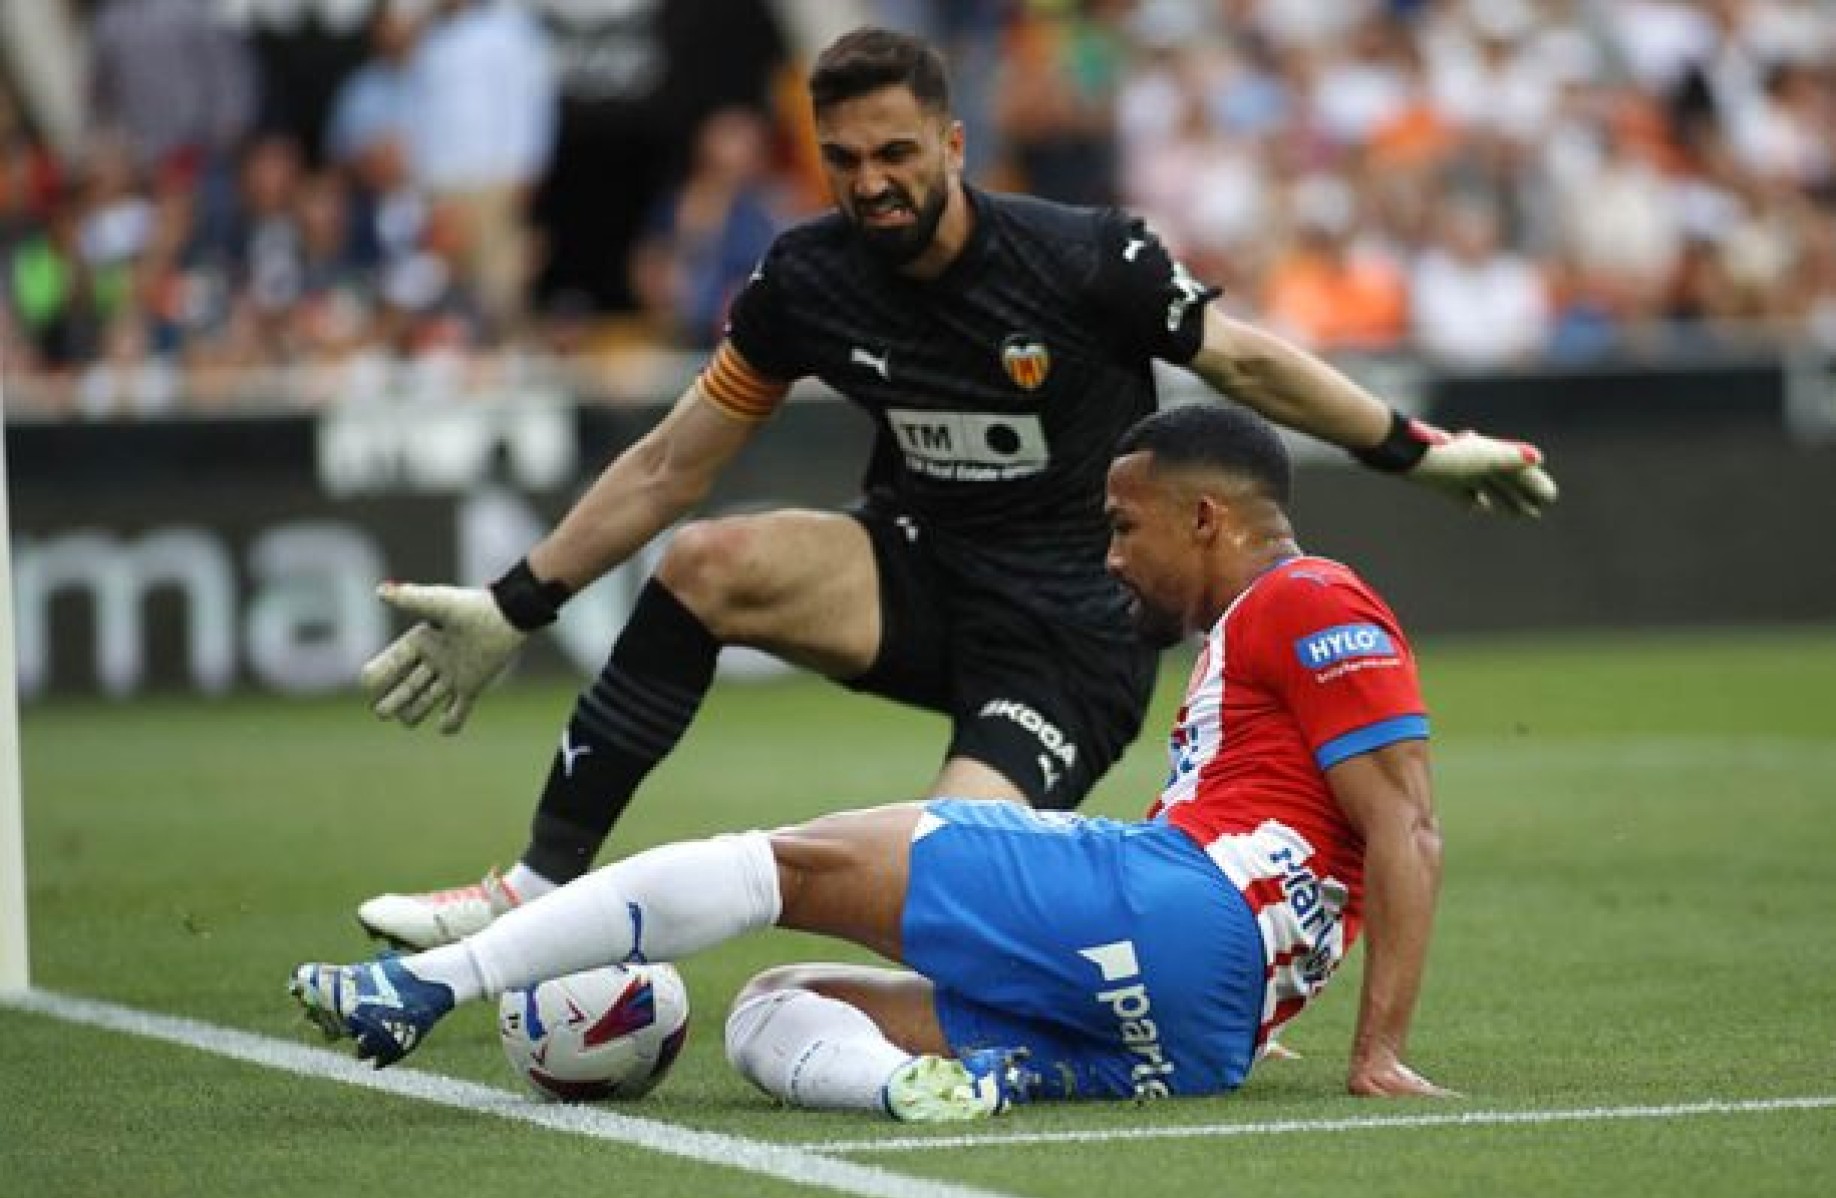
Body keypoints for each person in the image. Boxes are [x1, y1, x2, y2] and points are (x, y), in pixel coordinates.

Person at [351, 27, 1554, 953]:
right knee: (709, 563)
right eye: (843, 161)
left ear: (954, 145)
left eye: (895, 155)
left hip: (1070, 637)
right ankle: (533, 889)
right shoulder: (807, 280)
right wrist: (518, 602)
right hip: (917, 573)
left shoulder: (1083, 256)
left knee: (940, 887)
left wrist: (1417, 448)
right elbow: (676, 461)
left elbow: (1242, 359)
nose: (870, 183)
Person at [292, 402, 1451, 1118]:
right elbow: (1303, 842)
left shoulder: (1307, 595)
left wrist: (1379, 1051)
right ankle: (917, 1086)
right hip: (1198, 1032)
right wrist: (1257, 993)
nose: (1109, 556)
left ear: (1207, 518)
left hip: (1181, 920)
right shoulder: (1245, 636)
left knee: (774, 867)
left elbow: (1406, 824)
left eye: (1123, 524)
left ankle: (428, 985)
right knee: (775, 1006)